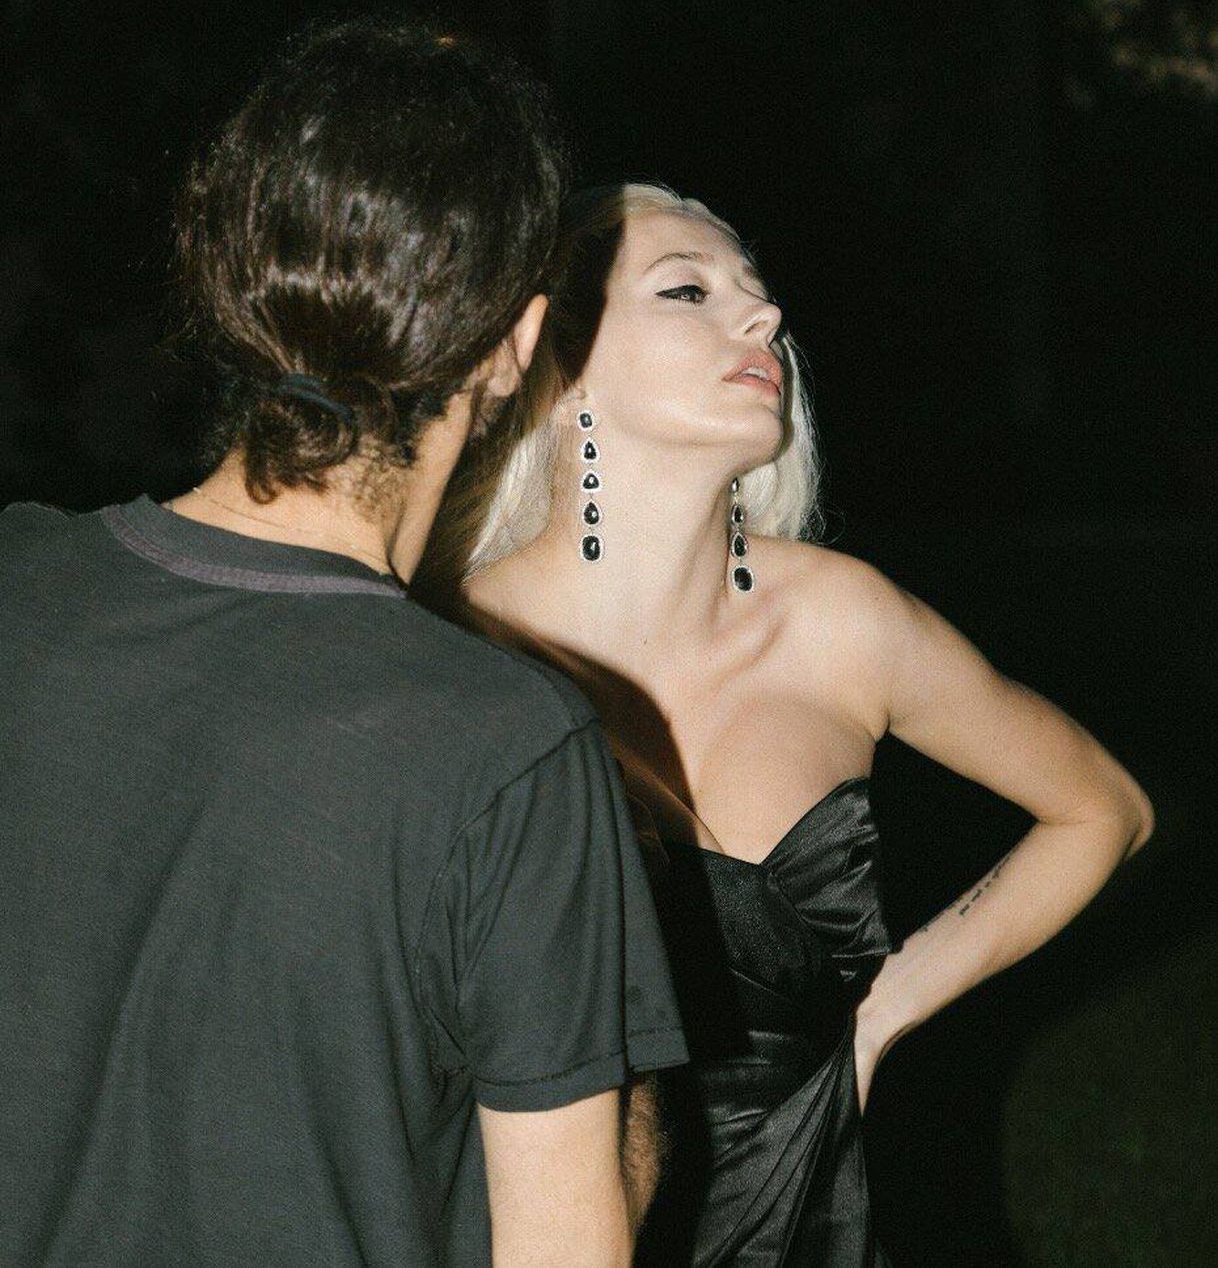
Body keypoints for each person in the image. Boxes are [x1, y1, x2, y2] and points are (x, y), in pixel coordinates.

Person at [0, 24, 691, 1268]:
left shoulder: (18, 578)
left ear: (224, 281)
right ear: (516, 344)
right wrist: (620, 1056)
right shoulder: (508, 750)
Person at [418, 178, 1156, 1267]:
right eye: (688, 290)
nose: (762, 315)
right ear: (559, 364)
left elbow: (1103, 809)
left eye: (756, 291)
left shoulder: (842, 622)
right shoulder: (451, 651)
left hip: (816, 1228)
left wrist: (885, 1011)